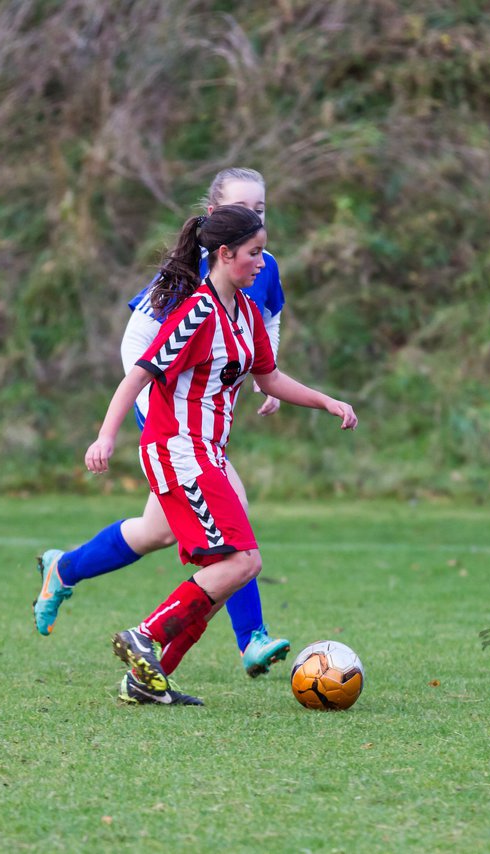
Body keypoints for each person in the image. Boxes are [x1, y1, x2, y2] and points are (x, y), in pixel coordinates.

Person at [86, 204, 357, 705]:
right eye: (254, 253)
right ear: (226, 254)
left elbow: (269, 378)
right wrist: (106, 436)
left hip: (205, 452)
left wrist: (326, 401)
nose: (262, 262)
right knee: (239, 565)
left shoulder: (247, 315)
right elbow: (139, 375)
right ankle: (144, 636)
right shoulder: (196, 313)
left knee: (235, 570)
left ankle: (148, 679)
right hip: (178, 451)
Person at [32, 168, 292, 678]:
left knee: (155, 532)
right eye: (243, 208)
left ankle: (64, 569)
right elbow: (138, 344)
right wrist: (161, 406)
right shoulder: (187, 274)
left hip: (206, 420)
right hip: (173, 423)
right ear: (213, 216)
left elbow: (270, 317)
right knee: (233, 520)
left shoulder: (261, 266)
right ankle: (251, 638)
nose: (255, 217)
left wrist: (262, 376)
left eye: (261, 209)